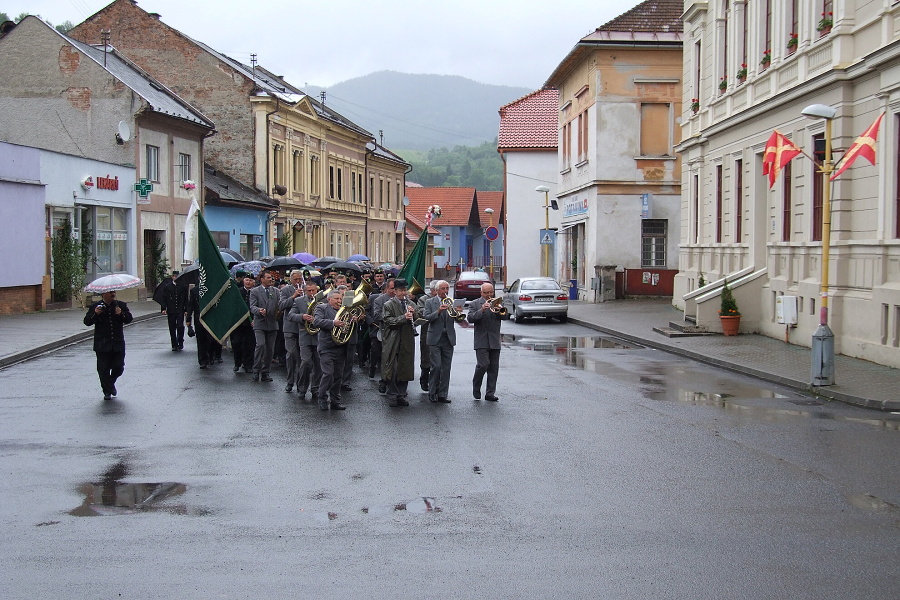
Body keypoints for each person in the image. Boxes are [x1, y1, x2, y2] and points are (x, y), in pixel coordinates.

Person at [83, 290, 133, 400]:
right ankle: (107, 391)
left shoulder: (120, 305)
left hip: (117, 343)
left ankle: (110, 383)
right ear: (103, 294)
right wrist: (95, 313)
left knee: (119, 367)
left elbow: (129, 319)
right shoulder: (95, 306)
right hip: (102, 343)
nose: (113, 294)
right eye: (110, 292)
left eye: (113, 292)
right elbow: (87, 322)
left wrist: (121, 314)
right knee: (103, 369)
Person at [467, 283, 509, 401]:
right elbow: (470, 318)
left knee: (493, 367)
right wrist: (482, 310)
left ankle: (490, 393)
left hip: (494, 340)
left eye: (490, 292)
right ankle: (476, 386)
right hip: (481, 340)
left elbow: (505, 316)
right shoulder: (474, 304)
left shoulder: (498, 302)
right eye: (486, 293)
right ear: (481, 293)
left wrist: (500, 310)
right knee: (483, 365)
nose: (489, 295)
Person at [380, 278, 418, 407]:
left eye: (405, 290)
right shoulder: (388, 305)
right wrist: (403, 317)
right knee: (393, 369)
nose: (403, 293)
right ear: (395, 291)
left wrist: (414, 314)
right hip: (393, 340)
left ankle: (401, 394)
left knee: (405, 368)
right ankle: (392, 395)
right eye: (401, 290)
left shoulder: (410, 303)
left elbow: (419, 317)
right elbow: (388, 321)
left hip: (407, 339)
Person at [422, 280, 459, 403]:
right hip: (435, 339)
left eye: (447, 289)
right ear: (436, 290)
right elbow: (426, 317)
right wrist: (438, 311)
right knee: (436, 367)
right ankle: (432, 392)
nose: (445, 291)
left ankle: (443, 394)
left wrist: (458, 311)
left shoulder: (451, 302)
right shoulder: (429, 302)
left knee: (446, 368)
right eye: (442, 289)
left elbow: (459, 320)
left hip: (448, 338)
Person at [312, 289, 349, 410]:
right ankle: (322, 397)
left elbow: (349, 328)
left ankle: (335, 400)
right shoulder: (321, 308)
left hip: (340, 347)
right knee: (328, 374)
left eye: (340, 299)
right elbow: (316, 321)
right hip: (326, 347)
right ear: (329, 299)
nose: (339, 301)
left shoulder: (344, 310)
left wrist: (352, 321)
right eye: (336, 299)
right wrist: (333, 323)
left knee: (338, 375)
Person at [286, 281, 321, 401]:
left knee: (319, 364)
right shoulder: (298, 301)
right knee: (306, 362)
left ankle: (315, 388)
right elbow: (290, 316)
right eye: (309, 291)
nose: (311, 293)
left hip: (319, 336)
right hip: (305, 335)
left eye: (313, 290)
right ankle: (302, 388)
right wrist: (302, 317)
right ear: (305, 291)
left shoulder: (323, 300)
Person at [249, 269, 280, 382]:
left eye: (271, 277)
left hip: (272, 323)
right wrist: (259, 310)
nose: (270, 279)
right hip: (260, 323)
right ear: (261, 279)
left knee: (270, 349)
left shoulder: (276, 291)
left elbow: (280, 304)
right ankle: (256, 370)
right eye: (267, 277)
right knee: (260, 345)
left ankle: (265, 372)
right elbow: (252, 306)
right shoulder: (255, 291)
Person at [280, 269, 304, 392]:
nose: (298, 282)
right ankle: (290, 381)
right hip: (289, 327)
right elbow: (281, 306)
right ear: (291, 280)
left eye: (300, 279)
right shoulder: (285, 290)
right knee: (291, 354)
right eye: (296, 279)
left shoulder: (306, 288)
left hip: (303, 327)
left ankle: (301, 383)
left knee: (302, 358)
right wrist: (293, 296)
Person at [369, 278, 395, 391]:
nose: (395, 291)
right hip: (385, 332)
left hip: (400, 333)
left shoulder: (405, 300)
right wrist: (394, 318)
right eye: (392, 288)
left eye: (397, 288)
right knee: (385, 358)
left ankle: (396, 385)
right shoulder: (379, 299)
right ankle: (384, 380)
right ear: (387, 289)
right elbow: (377, 316)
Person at [185, 284, 220, 368]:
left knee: (211, 339)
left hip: (210, 318)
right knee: (201, 340)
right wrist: (188, 319)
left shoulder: (212, 289)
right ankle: (202, 360)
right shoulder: (194, 290)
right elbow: (191, 305)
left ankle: (211, 356)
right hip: (199, 319)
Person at [154, 270, 187, 351]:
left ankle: (180, 341)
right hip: (171, 310)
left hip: (180, 310)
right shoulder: (167, 287)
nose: (175, 278)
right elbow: (164, 298)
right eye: (174, 276)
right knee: (172, 327)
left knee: (180, 326)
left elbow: (186, 299)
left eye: (177, 276)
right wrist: (163, 308)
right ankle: (174, 344)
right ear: (172, 277)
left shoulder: (183, 287)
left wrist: (186, 310)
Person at [230, 273, 255, 373]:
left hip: (251, 322)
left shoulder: (255, 292)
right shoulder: (238, 292)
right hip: (239, 322)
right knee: (236, 343)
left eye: (250, 280)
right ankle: (237, 362)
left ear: (254, 282)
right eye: (247, 280)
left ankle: (248, 364)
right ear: (243, 281)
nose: (248, 282)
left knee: (250, 344)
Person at [416, 280, 438, 391]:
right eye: (439, 289)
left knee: (438, 360)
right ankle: (424, 379)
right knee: (426, 357)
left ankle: (436, 383)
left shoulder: (444, 299)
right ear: (433, 290)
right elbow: (420, 312)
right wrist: (436, 311)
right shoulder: (423, 299)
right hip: (427, 330)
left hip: (440, 332)